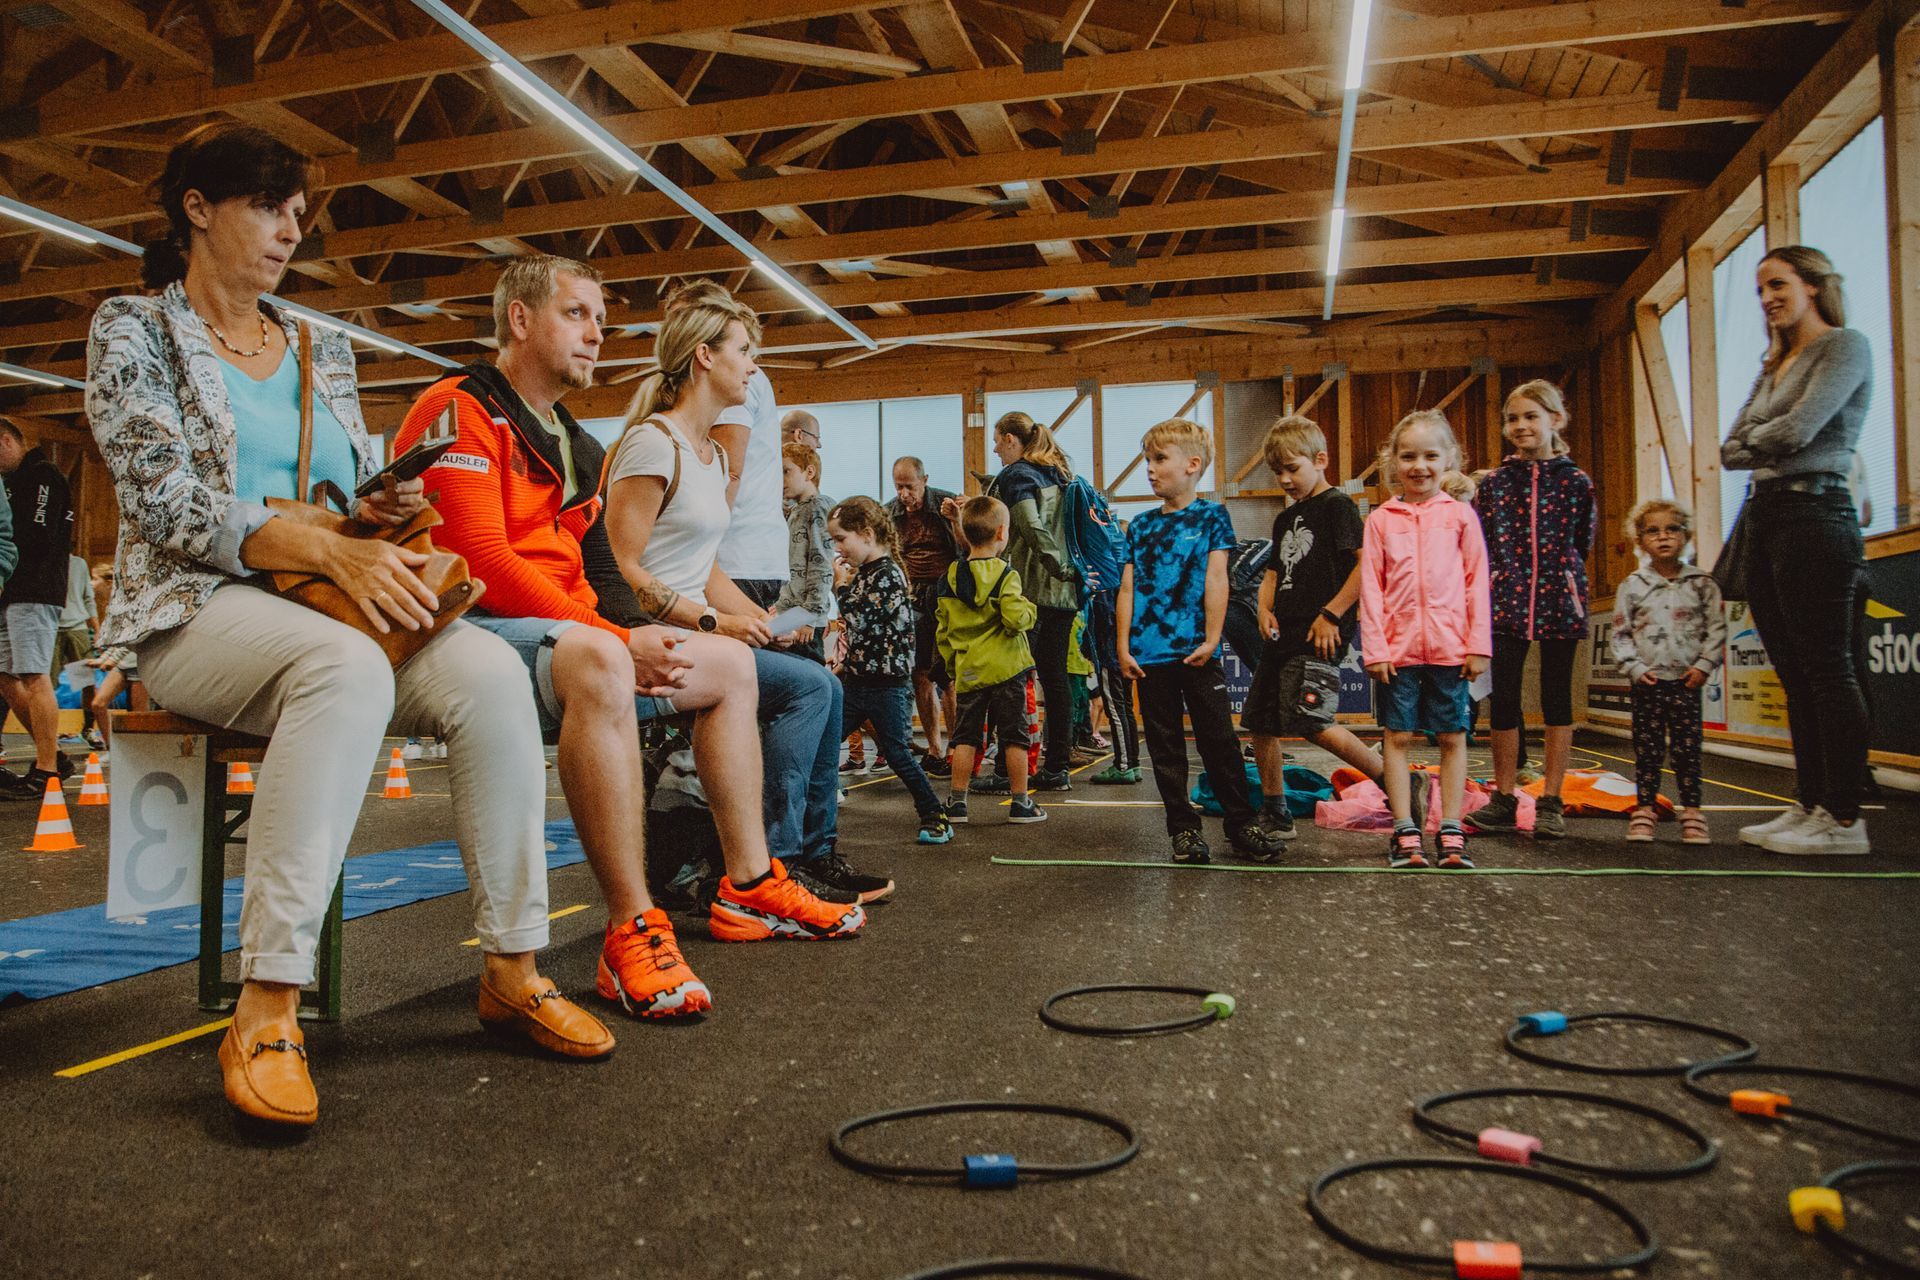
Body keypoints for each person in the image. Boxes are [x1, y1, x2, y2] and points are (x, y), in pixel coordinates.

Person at [86, 124, 614, 1127]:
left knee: (492, 676)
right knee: (345, 670)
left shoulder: (320, 343)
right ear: (197, 208)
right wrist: (324, 550)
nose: (293, 229)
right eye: (268, 206)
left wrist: (377, 506)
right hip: (193, 610)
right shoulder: (133, 328)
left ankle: (513, 965)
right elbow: (163, 503)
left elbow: (346, 483)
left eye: (299, 212)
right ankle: (267, 1004)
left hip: (328, 600)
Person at [399, 253, 862, 1023]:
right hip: (470, 631)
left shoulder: (575, 443)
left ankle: (749, 884)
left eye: (601, 321)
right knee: (603, 658)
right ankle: (631, 928)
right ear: (520, 319)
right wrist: (615, 637)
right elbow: (482, 565)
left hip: (565, 631)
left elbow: (602, 568)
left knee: (730, 667)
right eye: (576, 315)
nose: (596, 335)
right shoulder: (459, 408)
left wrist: (645, 630)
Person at [595, 284, 892, 902]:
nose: (754, 367)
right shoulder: (653, 443)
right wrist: (715, 624)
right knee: (809, 688)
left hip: (696, 623)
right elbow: (623, 569)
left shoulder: (706, 455)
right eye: (744, 351)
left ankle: (804, 856)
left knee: (826, 686)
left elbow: (702, 568)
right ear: (705, 356)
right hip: (655, 636)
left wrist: (764, 619)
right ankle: (768, 866)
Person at [1721, 245, 1874, 856]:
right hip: (1766, 519)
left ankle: (1844, 816)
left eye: (1778, 284)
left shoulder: (1845, 347)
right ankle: (1811, 802)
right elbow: (1729, 449)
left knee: (1827, 669)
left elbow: (1798, 429)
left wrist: (1762, 441)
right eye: (1760, 289)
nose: (1767, 298)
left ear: (1812, 285)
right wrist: (1766, 441)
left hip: (1818, 514)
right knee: (1793, 673)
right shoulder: (1774, 364)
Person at [1117, 419, 1287, 865]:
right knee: (1165, 748)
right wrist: (1123, 647)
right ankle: (1184, 831)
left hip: (1196, 651)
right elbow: (1127, 587)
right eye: (1147, 460)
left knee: (1219, 741)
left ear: (1192, 465)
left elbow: (1216, 579)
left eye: (1160, 459)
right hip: (1150, 655)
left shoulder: (1212, 517)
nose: (1150, 469)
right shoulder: (1140, 526)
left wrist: (1213, 638)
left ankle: (1241, 824)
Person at [1244, 416, 1392, 837]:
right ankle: (1276, 811)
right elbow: (1273, 573)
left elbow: (1365, 566)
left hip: (1319, 633)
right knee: (1260, 723)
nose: (1285, 479)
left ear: (1321, 460)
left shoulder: (1337, 507)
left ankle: (1392, 778)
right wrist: (1263, 608)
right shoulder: (1284, 519)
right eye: (1278, 472)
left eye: (1293, 469)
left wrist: (1331, 614)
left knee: (1310, 719)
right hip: (1283, 634)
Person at [1360, 411, 1492, 870]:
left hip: (1451, 650)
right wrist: (1376, 649)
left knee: (1452, 737)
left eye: (1431, 456)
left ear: (1450, 459)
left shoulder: (1460, 517)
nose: (1419, 466)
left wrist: (1478, 645)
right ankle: (1404, 829)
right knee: (1397, 737)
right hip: (1397, 654)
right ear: (1393, 461)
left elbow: (1477, 582)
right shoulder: (1380, 521)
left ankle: (1451, 829)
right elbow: (1371, 588)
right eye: (1409, 456)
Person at [1466, 380, 1594, 842]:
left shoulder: (1576, 482)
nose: (1520, 426)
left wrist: (1564, 578)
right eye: (1512, 419)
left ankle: (1551, 800)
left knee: (1557, 698)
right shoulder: (1495, 485)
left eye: (1530, 416)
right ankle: (1503, 797)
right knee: (1504, 699)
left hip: (1560, 598)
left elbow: (1582, 540)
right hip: (1506, 599)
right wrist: (1499, 582)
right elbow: (1481, 543)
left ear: (1555, 420)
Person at [827, 496, 952, 847]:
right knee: (825, 741)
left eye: (841, 539)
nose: (837, 548)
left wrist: (839, 585)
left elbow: (860, 619)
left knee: (897, 753)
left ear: (867, 534)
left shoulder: (887, 575)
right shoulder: (866, 574)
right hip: (857, 681)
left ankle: (935, 815)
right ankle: (819, 804)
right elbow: (860, 633)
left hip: (887, 685)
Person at [1610, 499, 1724, 846]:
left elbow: (1716, 629)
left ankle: (1692, 811)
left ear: (1686, 535)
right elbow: (1620, 632)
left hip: (1686, 681)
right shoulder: (1633, 585)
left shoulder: (1702, 583)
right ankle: (1644, 808)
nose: (1663, 537)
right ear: (1640, 541)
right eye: (1653, 531)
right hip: (1649, 681)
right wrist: (1634, 667)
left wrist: (1704, 665)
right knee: (1648, 749)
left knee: (1688, 750)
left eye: (1672, 529)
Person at [984, 411, 1080, 791]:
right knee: (1056, 681)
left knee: (1013, 683)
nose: (995, 450)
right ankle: (1057, 768)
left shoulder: (1017, 475)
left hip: (1032, 593)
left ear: (1011, 439)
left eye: (997, 441)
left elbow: (1029, 525)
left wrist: (1058, 567)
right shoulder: (1060, 474)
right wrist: (1070, 575)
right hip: (1065, 596)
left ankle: (1007, 772)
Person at [937, 495, 1045, 825]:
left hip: (970, 670)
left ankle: (957, 803)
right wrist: (1030, 610)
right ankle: (1021, 803)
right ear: (1001, 533)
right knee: (1014, 737)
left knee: (965, 738)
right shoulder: (1005, 575)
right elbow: (1015, 618)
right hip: (1008, 670)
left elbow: (943, 631)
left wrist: (954, 667)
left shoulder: (950, 577)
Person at [0, 421, 77, 796]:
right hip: (10, 592)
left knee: (33, 675)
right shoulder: (13, 482)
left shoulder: (42, 474)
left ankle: (47, 770)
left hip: (35, 588)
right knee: (4, 676)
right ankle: (55, 755)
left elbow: (37, 533)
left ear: (6, 440)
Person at [887, 456, 961, 776]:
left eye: (910, 487)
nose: (904, 494)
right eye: (898, 487)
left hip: (946, 596)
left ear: (924, 480)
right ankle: (934, 749)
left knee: (947, 675)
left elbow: (966, 548)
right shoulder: (890, 513)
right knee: (920, 675)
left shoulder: (946, 504)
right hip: (912, 597)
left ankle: (957, 748)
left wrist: (957, 519)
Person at [775, 441, 832, 661]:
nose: (781, 479)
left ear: (809, 472)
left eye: (786, 471)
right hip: (790, 613)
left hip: (805, 617)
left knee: (809, 671)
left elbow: (821, 564)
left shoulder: (817, 508)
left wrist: (810, 616)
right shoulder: (797, 510)